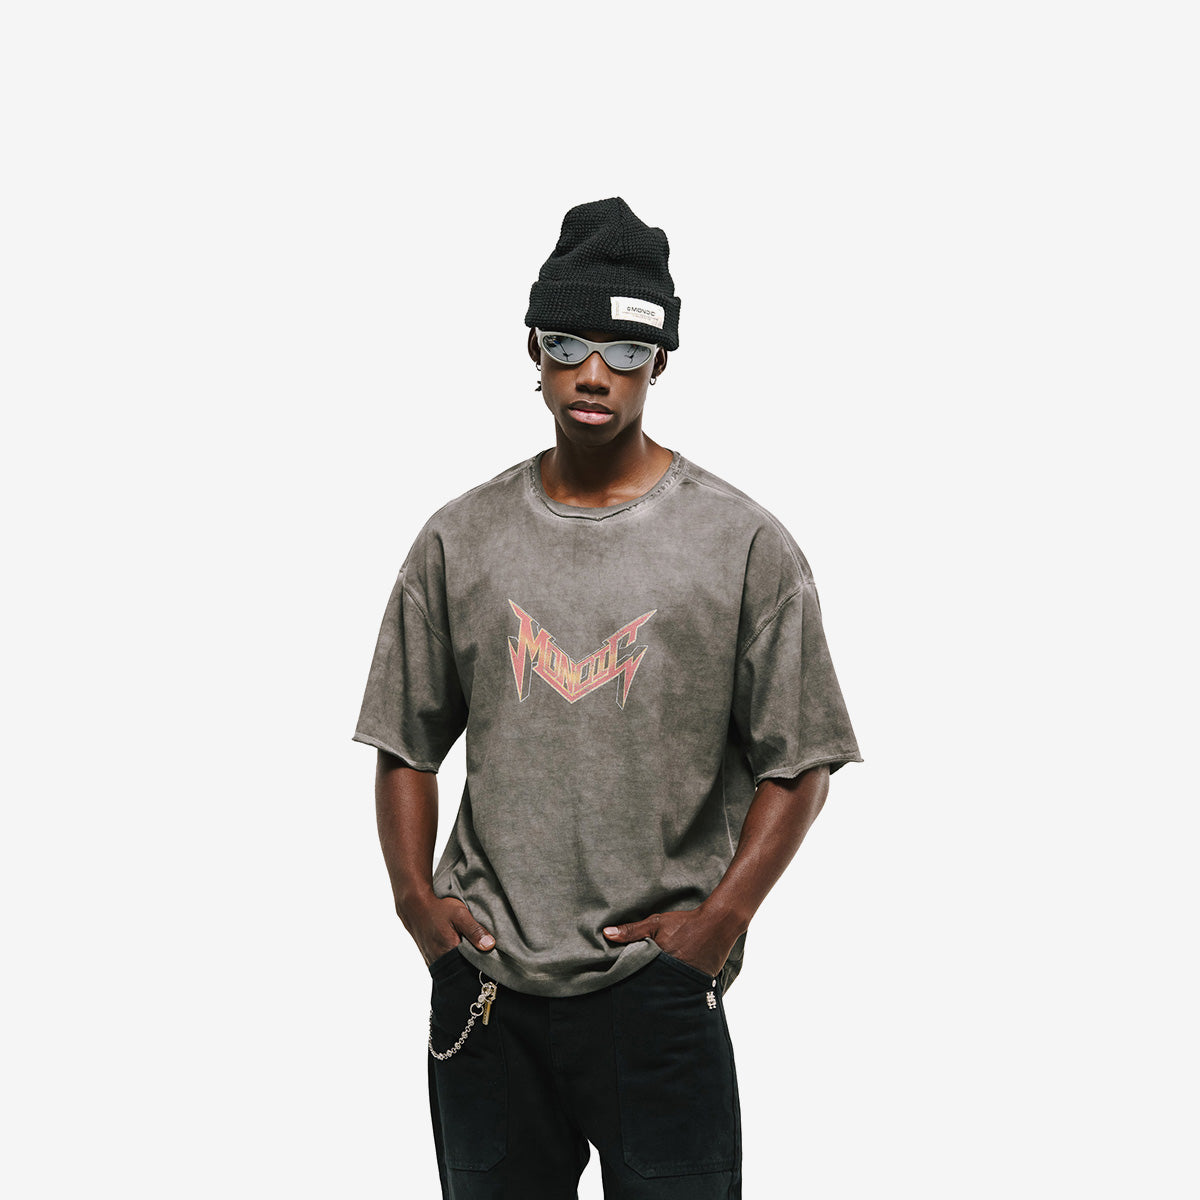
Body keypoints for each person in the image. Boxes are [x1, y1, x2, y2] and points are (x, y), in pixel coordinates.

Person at [354, 197, 861, 1199]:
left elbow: (801, 761)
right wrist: (417, 905)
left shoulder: (741, 544)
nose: (594, 373)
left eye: (626, 350)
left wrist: (717, 925)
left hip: (657, 995)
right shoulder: (461, 538)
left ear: (659, 360)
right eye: (567, 344)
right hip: (487, 992)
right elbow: (405, 740)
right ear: (533, 351)